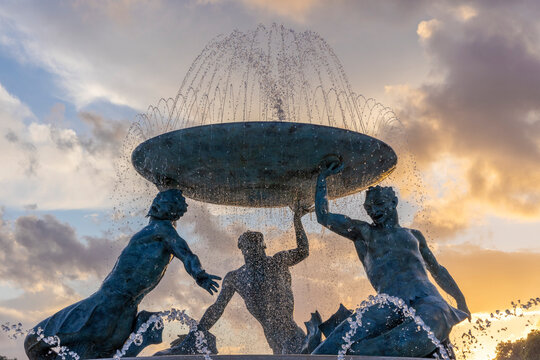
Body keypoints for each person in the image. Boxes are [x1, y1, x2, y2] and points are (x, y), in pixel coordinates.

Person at [24, 189, 221, 360]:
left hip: (104, 305)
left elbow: (187, 254)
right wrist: (199, 274)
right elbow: (186, 254)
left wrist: (199, 274)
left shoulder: (161, 229)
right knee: (94, 354)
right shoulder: (162, 230)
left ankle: (142, 331)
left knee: (33, 341)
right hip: (123, 314)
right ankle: (142, 331)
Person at [312, 163, 470, 358]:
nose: (373, 211)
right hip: (388, 303)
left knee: (420, 334)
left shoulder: (414, 235)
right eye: (368, 207)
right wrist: (322, 179)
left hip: (427, 299)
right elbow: (323, 216)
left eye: (379, 204)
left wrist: (460, 299)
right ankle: (354, 353)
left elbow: (437, 270)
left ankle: (357, 353)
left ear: (394, 202)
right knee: (331, 347)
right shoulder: (364, 233)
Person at [158, 203, 319, 355]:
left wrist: (297, 220)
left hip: (293, 338)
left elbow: (303, 251)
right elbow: (217, 309)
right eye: (249, 248)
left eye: (257, 247)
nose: (254, 252)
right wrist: (195, 335)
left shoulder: (277, 262)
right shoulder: (235, 278)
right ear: (242, 251)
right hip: (274, 342)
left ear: (263, 247)